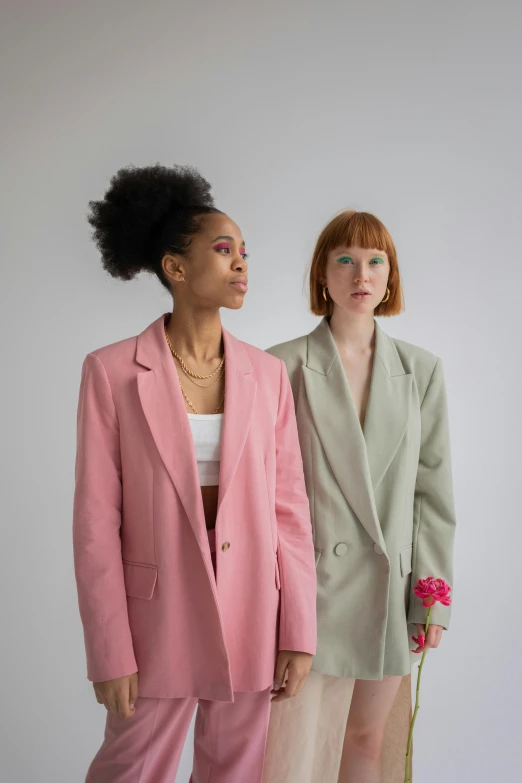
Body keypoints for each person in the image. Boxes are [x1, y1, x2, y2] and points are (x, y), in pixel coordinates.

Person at [72, 164, 317, 783]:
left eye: (244, 252)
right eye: (223, 248)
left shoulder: (266, 376)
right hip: (156, 618)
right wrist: (109, 650)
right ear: (174, 269)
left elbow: (290, 510)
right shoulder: (111, 373)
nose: (241, 264)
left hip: (252, 610)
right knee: (132, 768)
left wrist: (300, 630)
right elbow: (97, 523)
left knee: (236, 772)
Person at [262, 210, 456, 783]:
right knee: (291, 748)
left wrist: (433, 597)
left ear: (390, 276)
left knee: (368, 739)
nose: (360, 274)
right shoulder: (282, 365)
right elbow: (264, 490)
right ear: (322, 274)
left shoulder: (421, 370)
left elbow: (434, 494)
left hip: (389, 591)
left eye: (375, 261)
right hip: (306, 591)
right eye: (344, 258)